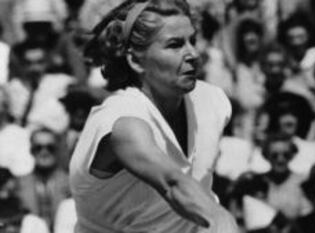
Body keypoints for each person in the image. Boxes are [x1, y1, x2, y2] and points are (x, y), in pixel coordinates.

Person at [69, 0, 239, 232]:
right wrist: (220, 220)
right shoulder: (122, 122)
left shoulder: (212, 101)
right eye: (175, 45)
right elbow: (173, 183)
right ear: (136, 60)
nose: (193, 54)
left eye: (193, 41)